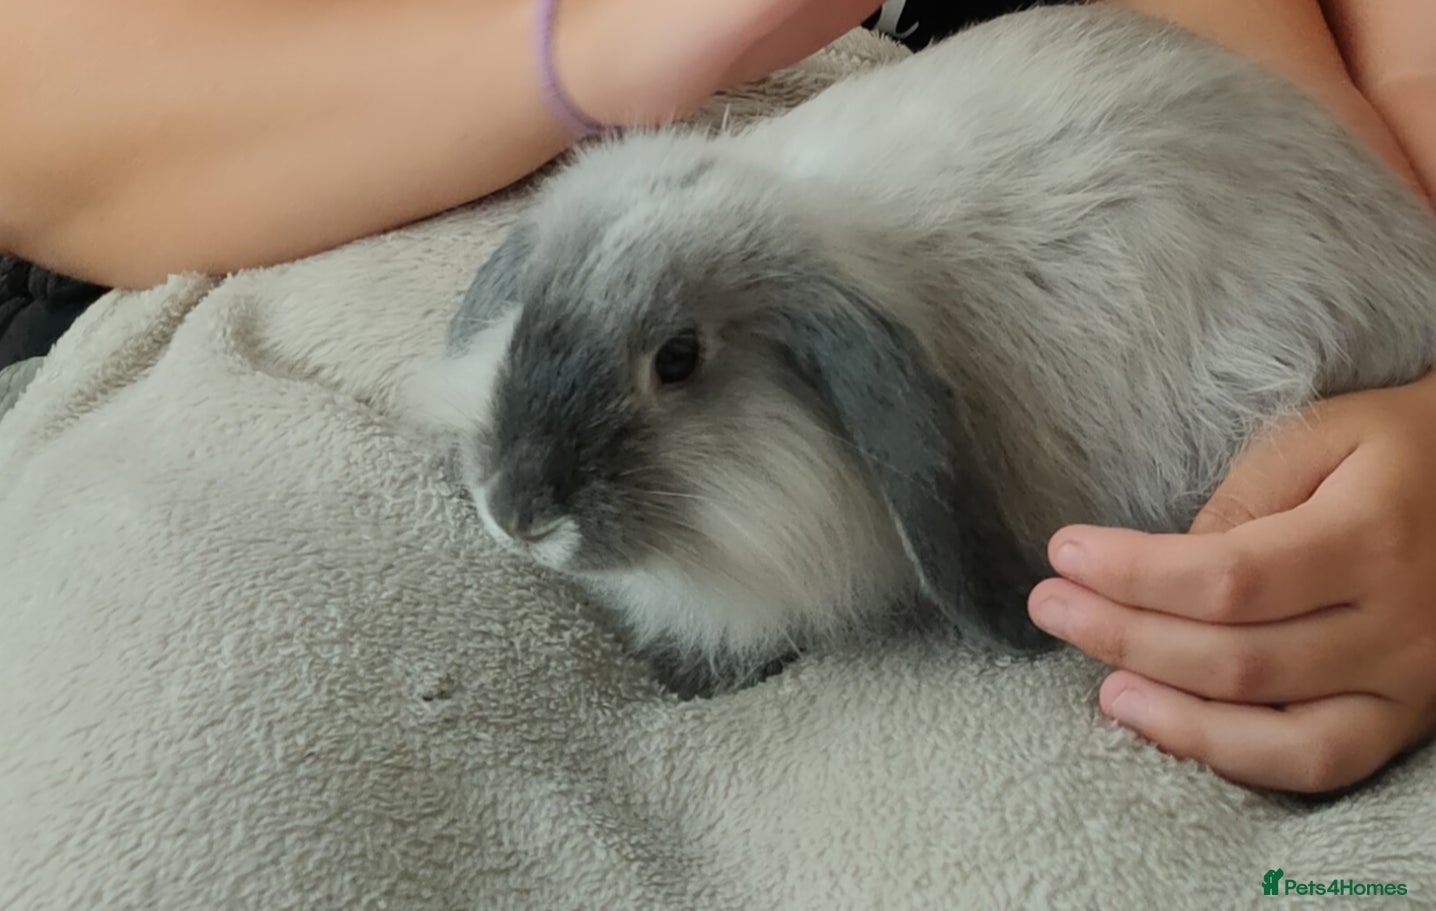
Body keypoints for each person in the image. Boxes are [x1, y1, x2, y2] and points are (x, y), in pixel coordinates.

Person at [1, 0, 1433, 792]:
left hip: (1105, 372)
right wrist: (590, 50)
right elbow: (48, 129)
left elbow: (1344, 144)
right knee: (168, 700)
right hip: (333, 232)